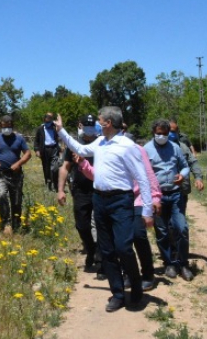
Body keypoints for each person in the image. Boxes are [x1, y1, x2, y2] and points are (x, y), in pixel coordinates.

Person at [53, 107, 153, 312]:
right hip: (100, 199)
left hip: (121, 200)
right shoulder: (100, 142)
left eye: (100, 121)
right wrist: (62, 131)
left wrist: (147, 210)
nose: (97, 124)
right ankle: (117, 293)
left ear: (108, 123)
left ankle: (135, 287)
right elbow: (79, 150)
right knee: (106, 250)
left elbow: (143, 178)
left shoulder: (127, 146)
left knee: (124, 247)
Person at [75, 142, 162, 292]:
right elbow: (99, 175)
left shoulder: (136, 149)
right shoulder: (103, 148)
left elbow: (148, 174)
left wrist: (155, 198)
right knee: (121, 240)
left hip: (138, 197)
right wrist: (83, 164)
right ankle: (129, 273)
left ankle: (148, 274)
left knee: (138, 233)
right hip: (119, 200)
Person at [144, 120, 193, 281]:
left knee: (181, 228)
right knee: (162, 231)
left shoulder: (175, 148)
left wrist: (183, 175)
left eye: (164, 134)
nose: (162, 136)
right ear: (153, 132)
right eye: (158, 133)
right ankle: (169, 263)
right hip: (157, 197)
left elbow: (185, 166)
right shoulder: (146, 150)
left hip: (175, 194)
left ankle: (183, 263)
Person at [57, 114, 99, 271]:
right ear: (81, 125)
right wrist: (60, 190)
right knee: (82, 225)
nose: (88, 129)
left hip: (100, 190)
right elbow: (65, 167)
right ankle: (91, 249)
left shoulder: (101, 143)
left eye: (91, 125)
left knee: (101, 225)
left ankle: (100, 262)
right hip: (80, 191)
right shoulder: (74, 145)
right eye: (85, 125)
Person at [0, 115, 31, 235]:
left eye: (9, 126)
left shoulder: (19, 138)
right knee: (1, 195)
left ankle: (16, 223)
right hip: (0, 174)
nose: (7, 128)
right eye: (4, 126)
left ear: (12, 126)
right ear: (0, 126)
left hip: (16, 175)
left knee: (16, 200)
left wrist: (19, 163)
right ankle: (6, 222)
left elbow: (27, 153)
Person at [34, 112, 60, 191]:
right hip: (44, 150)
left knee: (55, 168)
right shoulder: (40, 129)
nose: (48, 123)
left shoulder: (55, 128)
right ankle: (48, 184)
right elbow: (36, 141)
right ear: (44, 120)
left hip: (54, 149)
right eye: (46, 121)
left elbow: (60, 137)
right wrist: (37, 150)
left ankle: (56, 185)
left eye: (49, 121)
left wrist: (61, 147)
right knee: (46, 168)